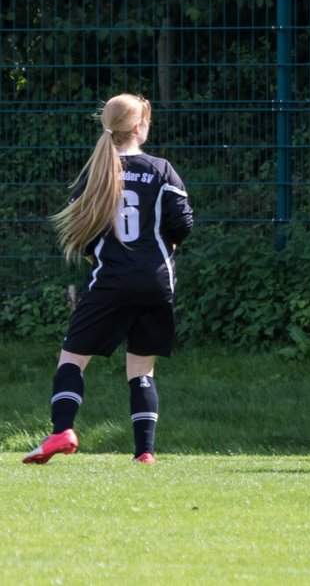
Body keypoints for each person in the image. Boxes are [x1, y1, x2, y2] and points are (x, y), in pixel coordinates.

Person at [24, 94, 194, 465]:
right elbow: (183, 224)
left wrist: (99, 258)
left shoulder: (96, 173)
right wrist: (163, 251)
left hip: (110, 282)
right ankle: (145, 453)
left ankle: (62, 431)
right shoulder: (161, 169)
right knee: (141, 369)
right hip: (155, 283)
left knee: (72, 359)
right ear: (138, 127)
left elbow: (82, 235)